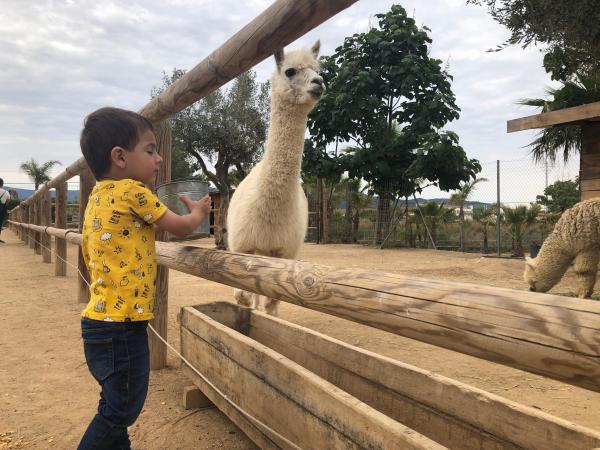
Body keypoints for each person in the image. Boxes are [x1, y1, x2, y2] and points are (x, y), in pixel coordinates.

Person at [78, 107, 211, 450]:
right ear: (120, 157)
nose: (159, 158)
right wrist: (197, 212)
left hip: (98, 325)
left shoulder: (96, 197)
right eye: (150, 150)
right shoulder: (134, 193)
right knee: (121, 409)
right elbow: (181, 227)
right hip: (123, 327)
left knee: (114, 406)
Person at [0, 178, 11, 243]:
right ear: (2, 184)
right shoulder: (5, 192)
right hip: (1, 210)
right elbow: (8, 200)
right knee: (0, 224)